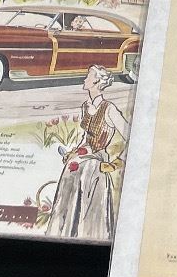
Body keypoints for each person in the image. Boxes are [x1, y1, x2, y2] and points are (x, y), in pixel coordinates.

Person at [45, 64, 129, 242]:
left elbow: (132, 135)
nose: (84, 79)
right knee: (70, 171)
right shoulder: (85, 106)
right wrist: (74, 151)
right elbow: (85, 138)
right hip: (83, 156)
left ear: (97, 81)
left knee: (87, 185)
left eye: (88, 76)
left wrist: (116, 163)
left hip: (97, 161)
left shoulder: (109, 108)